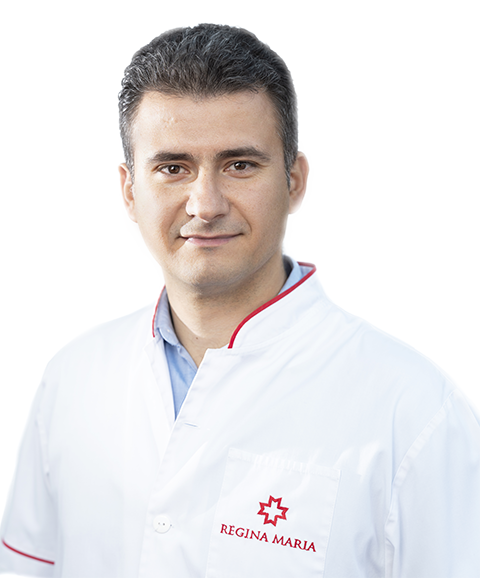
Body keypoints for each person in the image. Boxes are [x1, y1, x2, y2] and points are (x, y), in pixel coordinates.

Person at [1, 23, 479, 578]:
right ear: (130, 191)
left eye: (240, 165)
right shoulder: (72, 380)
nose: (205, 204)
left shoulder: (418, 414)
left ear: (294, 182)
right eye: (173, 168)